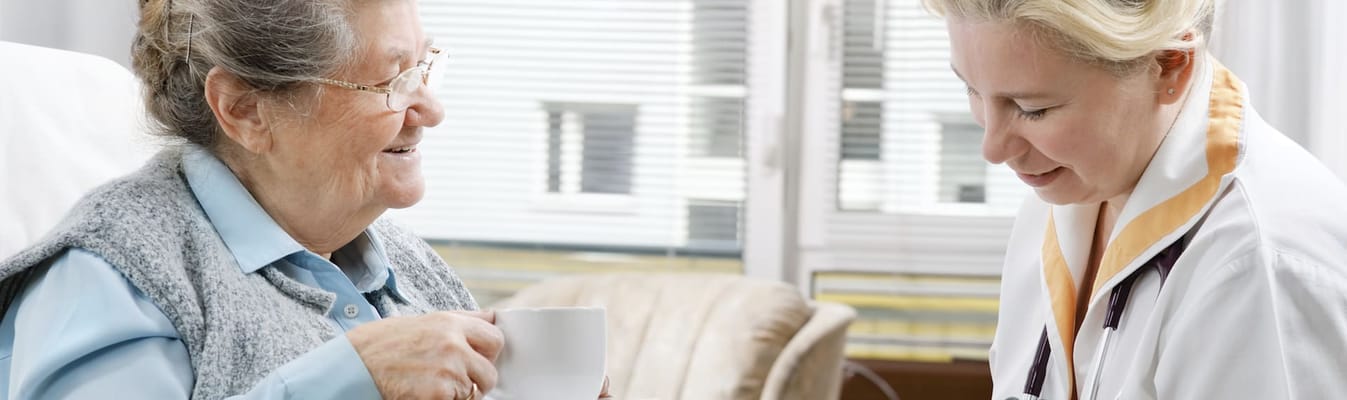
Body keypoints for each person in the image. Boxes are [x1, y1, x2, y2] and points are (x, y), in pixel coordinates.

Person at [0, 0, 609, 399]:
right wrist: (350, 379)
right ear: (245, 109)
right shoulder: (115, 274)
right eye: (394, 78)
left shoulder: (415, 271)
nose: (430, 110)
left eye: (424, 68)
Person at [920, 0, 1347, 398]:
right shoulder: (1063, 194)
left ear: (1170, 66)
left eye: (1033, 109)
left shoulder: (1257, 262)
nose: (992, 149)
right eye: (972, 90)